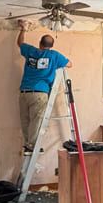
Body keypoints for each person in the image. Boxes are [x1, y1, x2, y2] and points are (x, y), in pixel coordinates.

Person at [17, 21, 71, 152]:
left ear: (40, 44)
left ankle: (28, 143)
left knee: (25, 120)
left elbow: (20, 43)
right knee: (36, 121)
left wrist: (23, 29)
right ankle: (32, 145)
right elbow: (69, 64)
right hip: (40, 93)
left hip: (24, 92)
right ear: (51, 46)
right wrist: (56, 65)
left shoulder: (31, 51)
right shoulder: (54, 55)